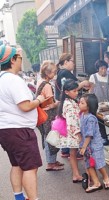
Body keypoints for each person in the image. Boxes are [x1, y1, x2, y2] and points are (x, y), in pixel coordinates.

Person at [0, 45, 46, 200]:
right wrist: (39, 100)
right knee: (30, 168)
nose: (21, 61)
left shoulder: (1, 79)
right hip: (20, 130)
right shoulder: (13, 80)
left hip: (6, 130)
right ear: (12, 60)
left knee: (16, 164)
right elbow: (25, 106)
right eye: (19, 58)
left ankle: (19, 197)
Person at [55, 53, 89, 157]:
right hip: (67, 102)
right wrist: (83, 84)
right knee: (71, 124)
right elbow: (72, 87)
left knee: (65, 125)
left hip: (61, 101)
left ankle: (65, 150)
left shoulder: (60, 72)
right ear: (66, 62)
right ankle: (72, 150)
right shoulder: (65, 72)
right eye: (72, 61)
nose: (74, 64)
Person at [79, 93, 109, 193]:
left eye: (82, 103)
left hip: (94, 146)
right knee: (89, 164)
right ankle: (96, 183)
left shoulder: (91, 118)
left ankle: (106, 177)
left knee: (99, 163)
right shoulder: (83, 116)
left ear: (89, 106)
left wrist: (83, 146)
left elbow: (89, 134)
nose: (79, 104)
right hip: (87, 146)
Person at [36, 60, 64, 171]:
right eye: (53, 72)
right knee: (51, 138)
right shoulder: (47, 85)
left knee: (47, 137)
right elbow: (49, 104)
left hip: (42, 114)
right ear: (47, 74)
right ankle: (51, 163)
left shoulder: (40, 81)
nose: (55, 74)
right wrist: (57, 103)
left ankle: (52, 160)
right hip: (48, 114)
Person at [56, 79, 83, 183]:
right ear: (67, 92)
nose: (76, 93)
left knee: (73, 154)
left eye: (77, 91)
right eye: (74, 91)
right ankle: (76, 174)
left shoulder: (68, 101)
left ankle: (76, 174)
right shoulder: (68, 104)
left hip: (71, 133)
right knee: (74, 153)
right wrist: (78, 134)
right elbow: (72, 122)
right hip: (74, 133)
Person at [89, 60, 109, 145]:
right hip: (97, 103)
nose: (104, 70)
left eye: (105, 68)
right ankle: (104, 137)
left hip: (108, 103)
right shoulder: (93, 77)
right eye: (102, 68)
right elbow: (91, 91)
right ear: (98, 69)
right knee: (100, 122)